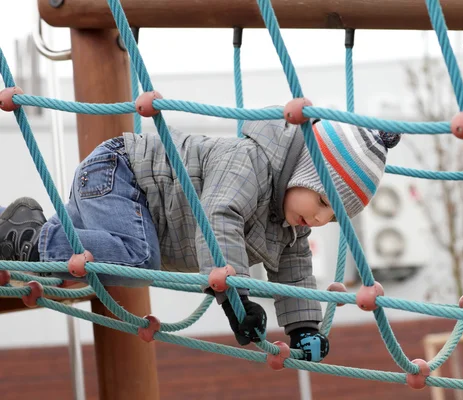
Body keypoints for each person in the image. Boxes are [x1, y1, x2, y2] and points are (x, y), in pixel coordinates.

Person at [0, 117, 400, 362]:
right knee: (138, 260)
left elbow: (294, 276)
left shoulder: (290, 225)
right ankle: (31, 239)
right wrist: (236, 299)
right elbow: (218, 217)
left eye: (331, 217)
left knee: (79, 255)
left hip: (132, 205)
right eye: (323, 201)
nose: (319, 217)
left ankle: (19, 233)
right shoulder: (249, 161)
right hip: (121, 173)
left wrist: (305, 330)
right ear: (305, 171)